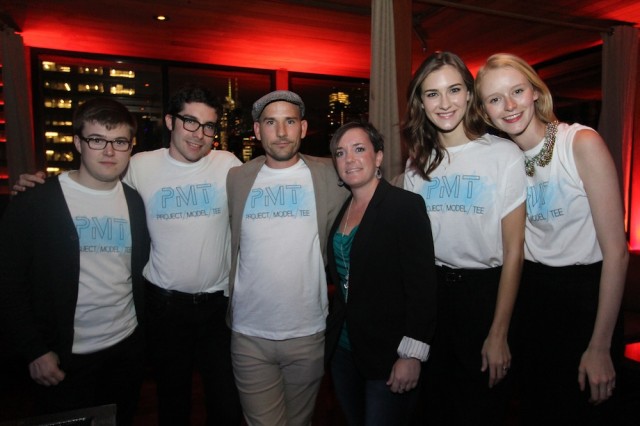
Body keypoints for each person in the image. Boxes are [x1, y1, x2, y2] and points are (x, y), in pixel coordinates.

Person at [13, 85, 243, 425]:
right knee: (171, 400)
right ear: (170, 121)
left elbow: (259, 190)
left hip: (216, 308)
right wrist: (36, 185)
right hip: (163, 308)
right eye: (190, 122)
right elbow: (90, 178)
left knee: (225, 401)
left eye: (209, 126)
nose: (199, 134)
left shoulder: (227, 164)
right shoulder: (138, 165)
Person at [474, 53, 628, 425]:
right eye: (495, 99)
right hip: (533, 296)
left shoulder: (580, 143)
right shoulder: (503, 159)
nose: (509, 106)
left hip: (586, 299)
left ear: (535, 92)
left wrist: (601, 345)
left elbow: (618, 254)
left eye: (516, 91)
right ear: (484, 112)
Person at [0, 98, 150, 425]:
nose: (109, 151)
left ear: (131, 146)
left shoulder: (135, 202)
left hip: (125, 350)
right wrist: (34, 350)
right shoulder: (36, 202)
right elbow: (9, 283)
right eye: (97, 140)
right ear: (78, 142)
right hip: (62, 358)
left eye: (120, 142)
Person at [397, 51, 526, 424]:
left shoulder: (503, 155)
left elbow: (514, 253)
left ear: (469, 94)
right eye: (432, 93)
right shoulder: (417, 162)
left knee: (482, 409)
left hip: (484, 297)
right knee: (435, 408)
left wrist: (499, 332)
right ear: (421, 101)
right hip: (431, 298)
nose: (445, 102)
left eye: (454, 89)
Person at [226, 90, 348, 425]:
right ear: (257, 130)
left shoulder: (330, 175)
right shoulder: (238, 178)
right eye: (271, 122)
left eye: (289, 121)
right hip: (249, 334)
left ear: (303, 128)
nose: (281, 131)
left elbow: (370, 195)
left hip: (308, 332)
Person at [324, 121, 437, 425]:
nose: (349, 159)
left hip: (389, 355)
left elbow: (422, 286)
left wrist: (411, 354)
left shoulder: (404, 205)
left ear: (378, 157)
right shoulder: (343, 209)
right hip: (344, 352)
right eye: (341, 152)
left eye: (359, 149)